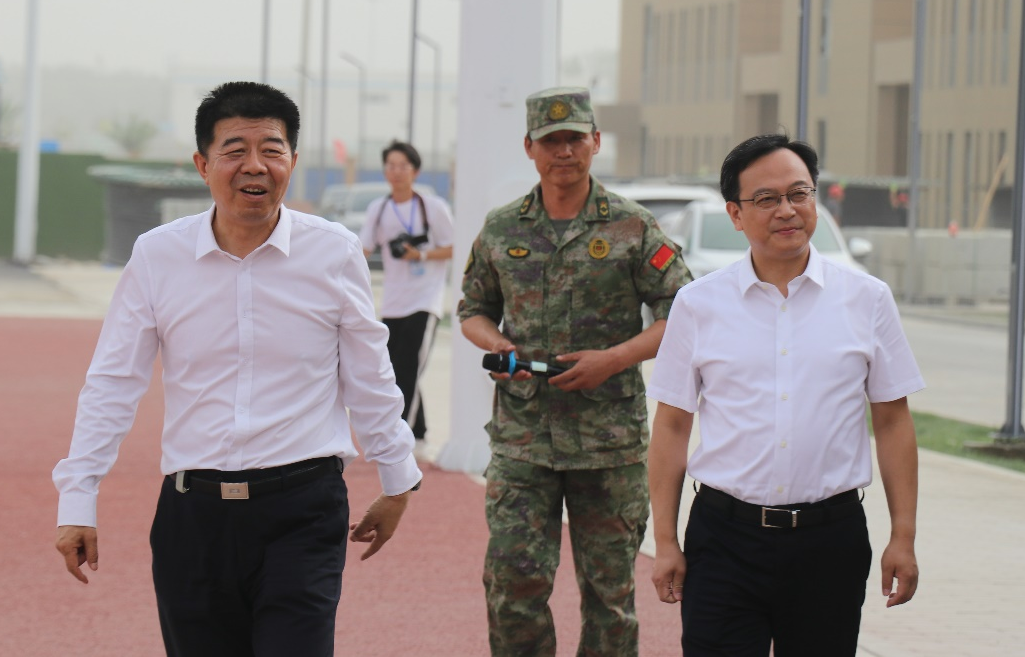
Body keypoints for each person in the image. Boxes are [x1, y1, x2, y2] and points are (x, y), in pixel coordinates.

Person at [53, 81, 422, 657]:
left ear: (292, 161)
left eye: (272, 150)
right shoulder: (158, 255)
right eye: (235, 150)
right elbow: (113, 382)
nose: (255, 166)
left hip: (303, 510)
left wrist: (397, 478)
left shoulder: (334, 251)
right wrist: (78, 498)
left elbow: (368, 372)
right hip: (193, 517)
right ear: (203, 165)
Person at [647, 133, 924, 657]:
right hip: (724, 540)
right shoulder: (698, 304)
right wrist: (665, 541)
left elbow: (892, 422)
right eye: (767, 199)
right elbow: (672, 426)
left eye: (799, 193)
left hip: (830, 540)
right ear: (735, 214)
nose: (787, 210)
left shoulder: (866, 299)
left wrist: (903, 536)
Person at [457, 86, 692, 657]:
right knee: (513, 589)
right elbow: (472, 310)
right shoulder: (503, 228)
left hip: (608, 445)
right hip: (523, 442)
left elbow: (683, 314)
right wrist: (500, 346)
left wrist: (615, 358)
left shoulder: (633, 227)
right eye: (550, 140)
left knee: (610, 598)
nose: (563, 151)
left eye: (574, 139)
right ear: (529, 148)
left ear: (595, 141)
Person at [358, 140, 455, 444]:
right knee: (395, 368)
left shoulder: (433, 207)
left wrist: (421, 255)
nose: (396, 172)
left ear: (416, 171)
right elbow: (363, 249)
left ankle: (401, 438)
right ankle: (420, 432)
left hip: (425, 300)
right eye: (391, 166)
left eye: (403, 166)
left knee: (409, 368)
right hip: (393, 302)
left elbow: (454, 246)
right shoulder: (379, 209)